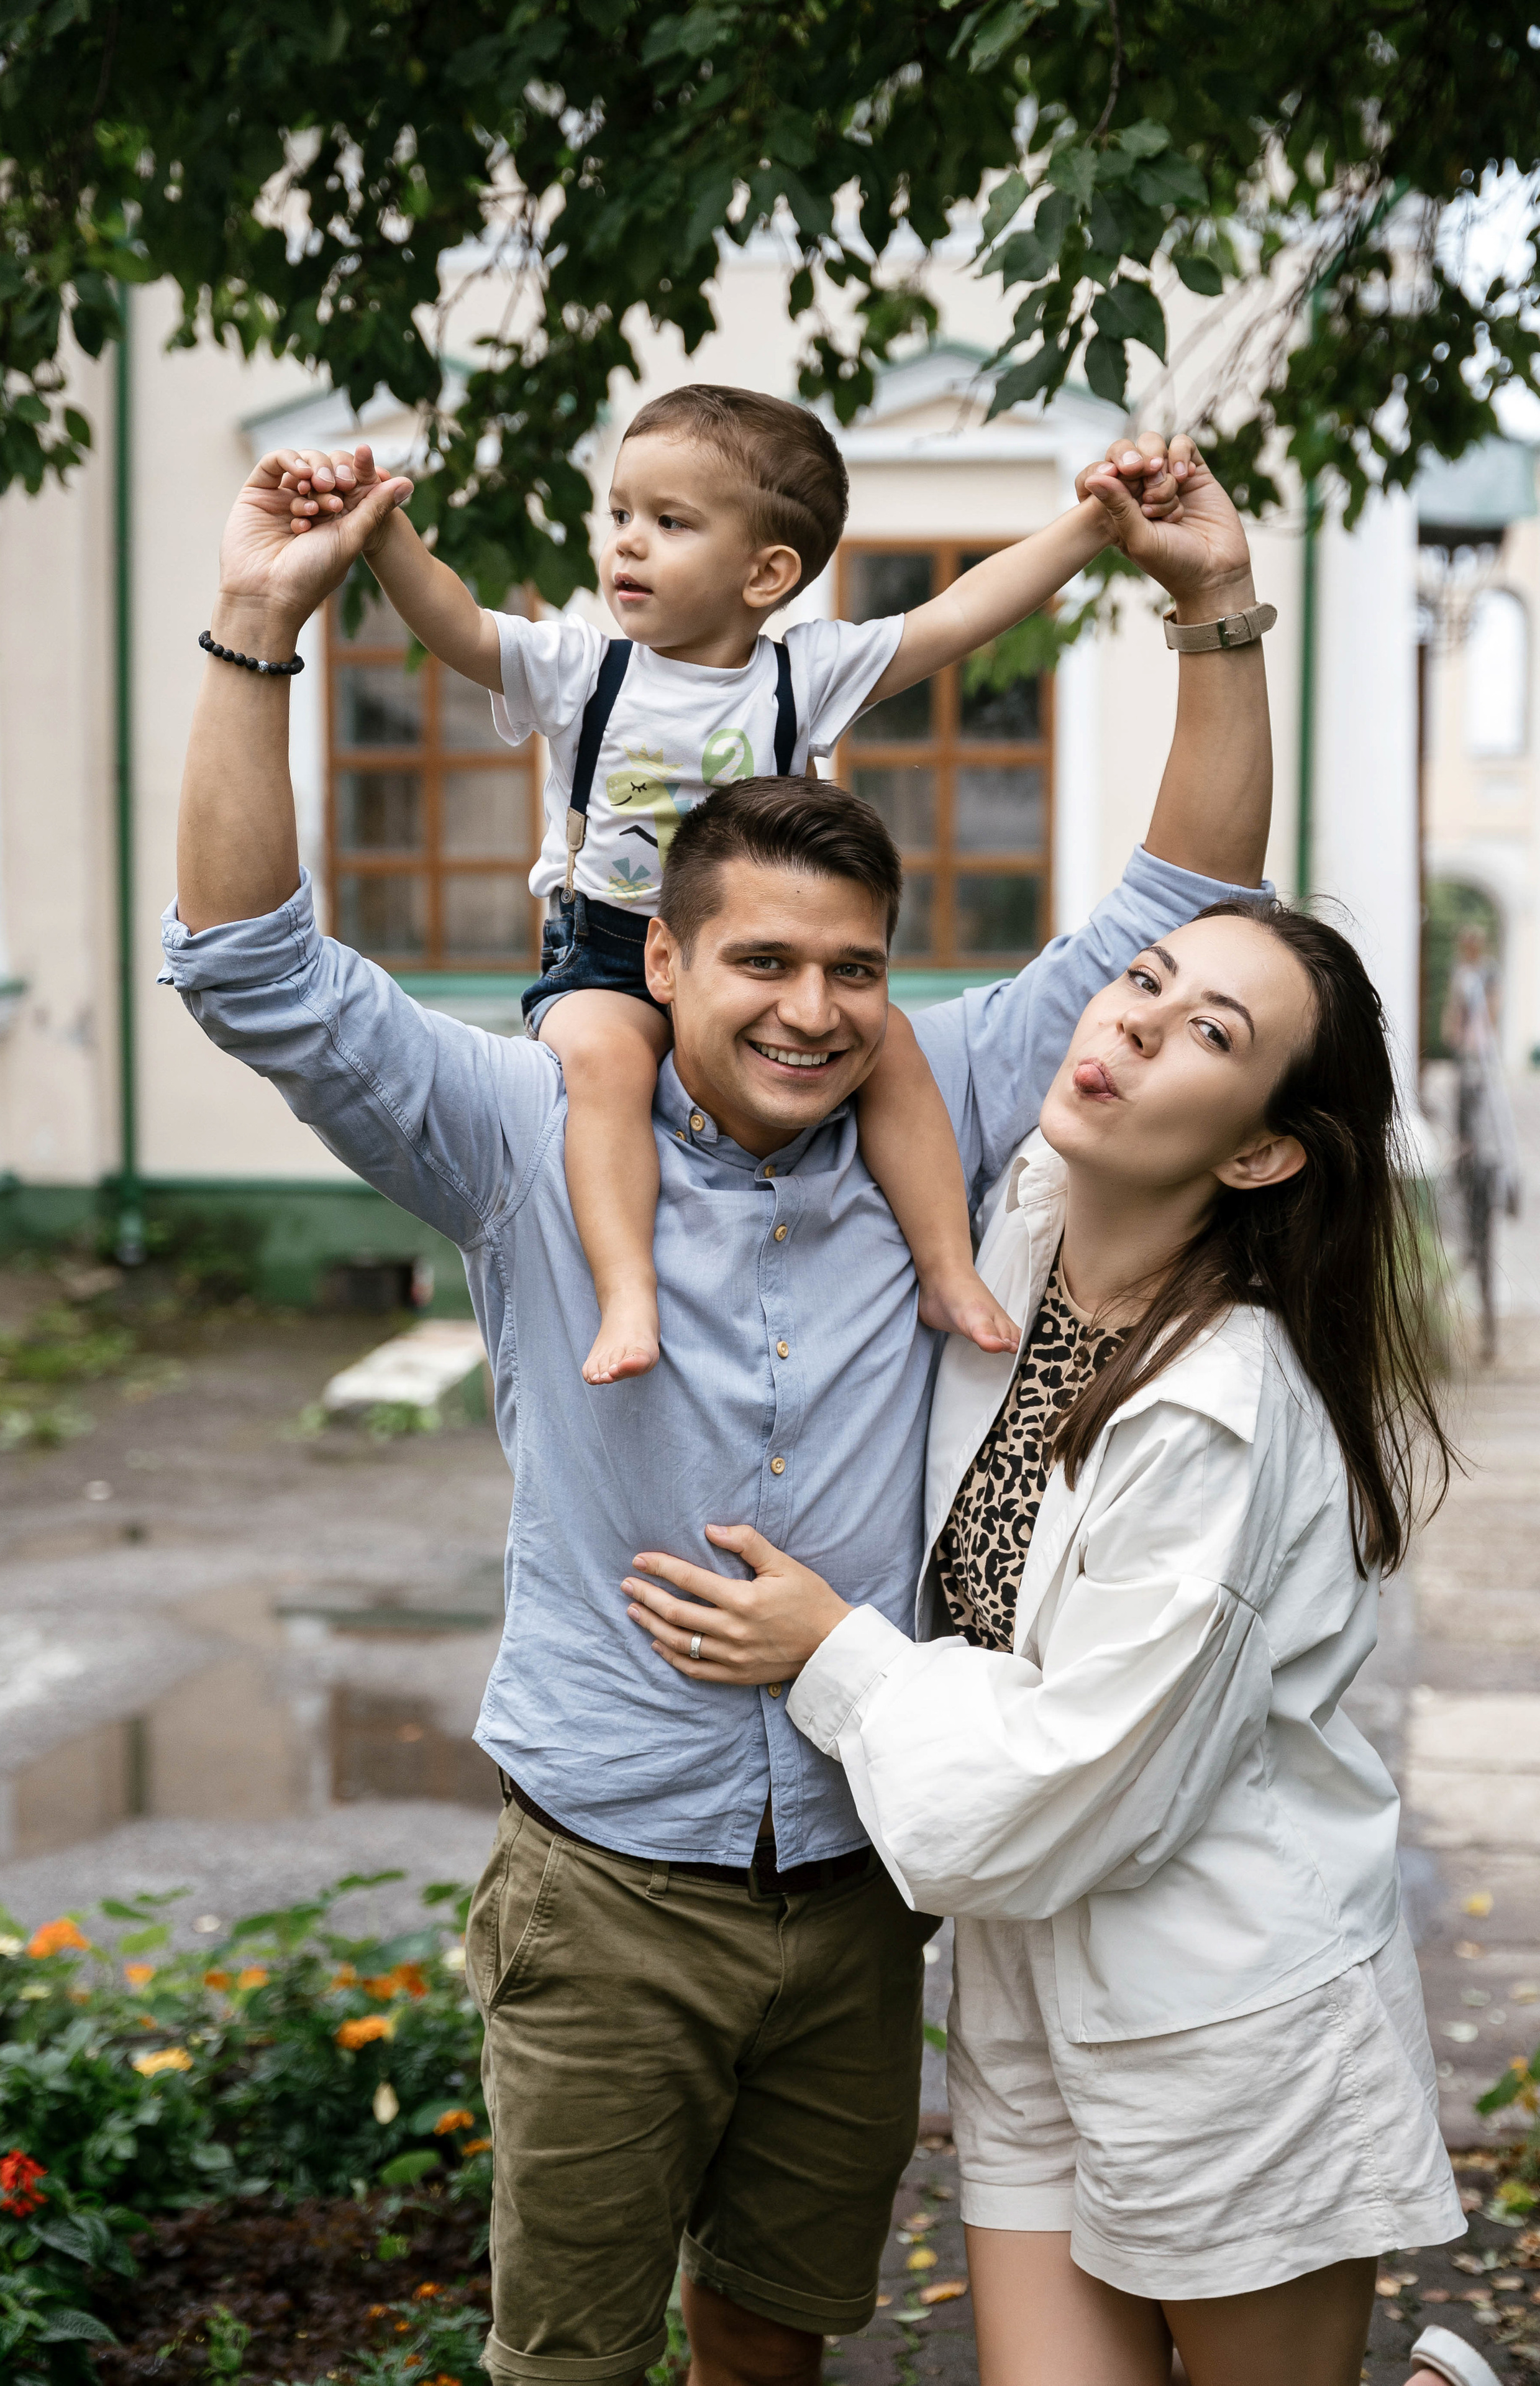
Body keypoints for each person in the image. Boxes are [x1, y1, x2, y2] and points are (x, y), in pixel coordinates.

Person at [165, 420, 1275, 2386]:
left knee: (778, 2330)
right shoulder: (527, 1131)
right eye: (758, 958)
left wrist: (1209, 610)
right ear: (655, 957)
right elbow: (257, 972)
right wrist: (260, 628)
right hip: (606, 1881)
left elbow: (1176, 893)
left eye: (853, 966)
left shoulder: (937, 1107)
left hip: (859, 1889)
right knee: (571, 2353)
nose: (811, 1008)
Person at [622, 900, 1471, 2386]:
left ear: (1260, 1150)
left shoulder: (1220, 1411)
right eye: (1142, 981)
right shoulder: (1020, 1225)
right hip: (1026, 2004)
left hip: (1224, 2028)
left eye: (1208, 1029)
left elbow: (1067, 1781)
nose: (1134, 1020)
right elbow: (858, 1027)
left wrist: (832, 1652)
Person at [283, 387, 1182, 1385]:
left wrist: (1094, 522)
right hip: (614, 953)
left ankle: (945, 1266)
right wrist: (382, 534)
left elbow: (961, 612)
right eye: (620, 514)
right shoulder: (586, 670)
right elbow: (457, 625)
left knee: (895, 1061)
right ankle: (627, 1291)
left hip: (761, 958)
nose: (627, 544)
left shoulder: (804, 675)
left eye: (669, 524)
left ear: (768, 573)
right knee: (605, 1074)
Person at [1442, 920, 1519, 1361]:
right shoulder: (1462, 975)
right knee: (1472, 1246)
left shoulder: (1486, 975)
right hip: (1474, 1156)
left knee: (1481, 1246)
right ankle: (1480, 1331)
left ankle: (1488, 1334)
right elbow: (1454, 1024)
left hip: (1485, 1166)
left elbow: (1483, 1016)